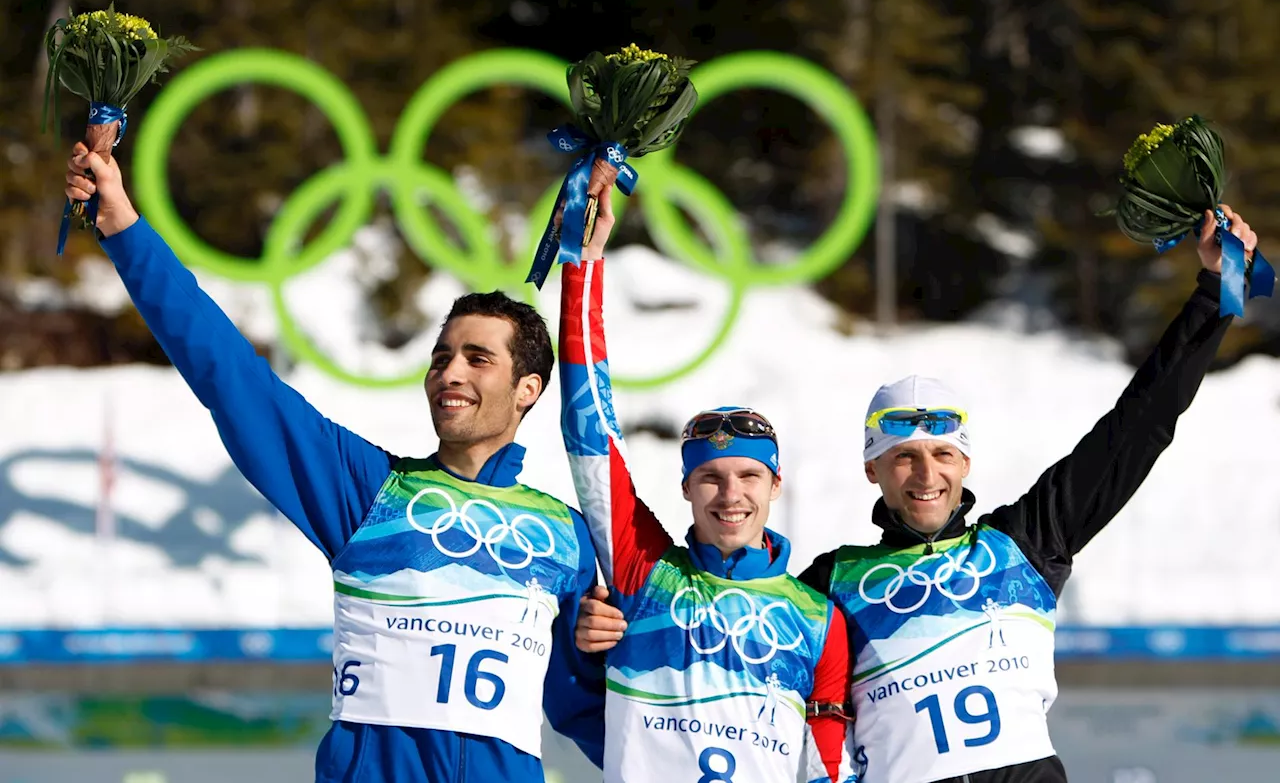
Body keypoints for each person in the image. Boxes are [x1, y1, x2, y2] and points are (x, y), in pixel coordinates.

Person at [575, 205, 1259, 783]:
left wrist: (1209, 292)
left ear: (964, 463)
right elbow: (726, 651)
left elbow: (1139, 425)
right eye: (902, 456)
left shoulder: (1024, 542)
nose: (924, 473)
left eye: (940, 454)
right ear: (873, 469)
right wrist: (611, 630)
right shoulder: (828, 585)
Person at [63, 142, 606, 783]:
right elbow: (229, 375)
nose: (448, 372)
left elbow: (605, 718)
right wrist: (125, 227)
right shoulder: (370, 492)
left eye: (477, 358)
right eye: (441, 357)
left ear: (528, 390)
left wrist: (606, 654)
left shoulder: (566, 538)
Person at [559, 184, 857, 783]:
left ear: (776, 485)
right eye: (711, 478)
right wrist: (582, 264)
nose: (731, 494)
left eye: (749, 476)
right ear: (686, 488)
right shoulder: (643, 571)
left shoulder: (819, 620)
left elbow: (833, 760)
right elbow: (590, 432)